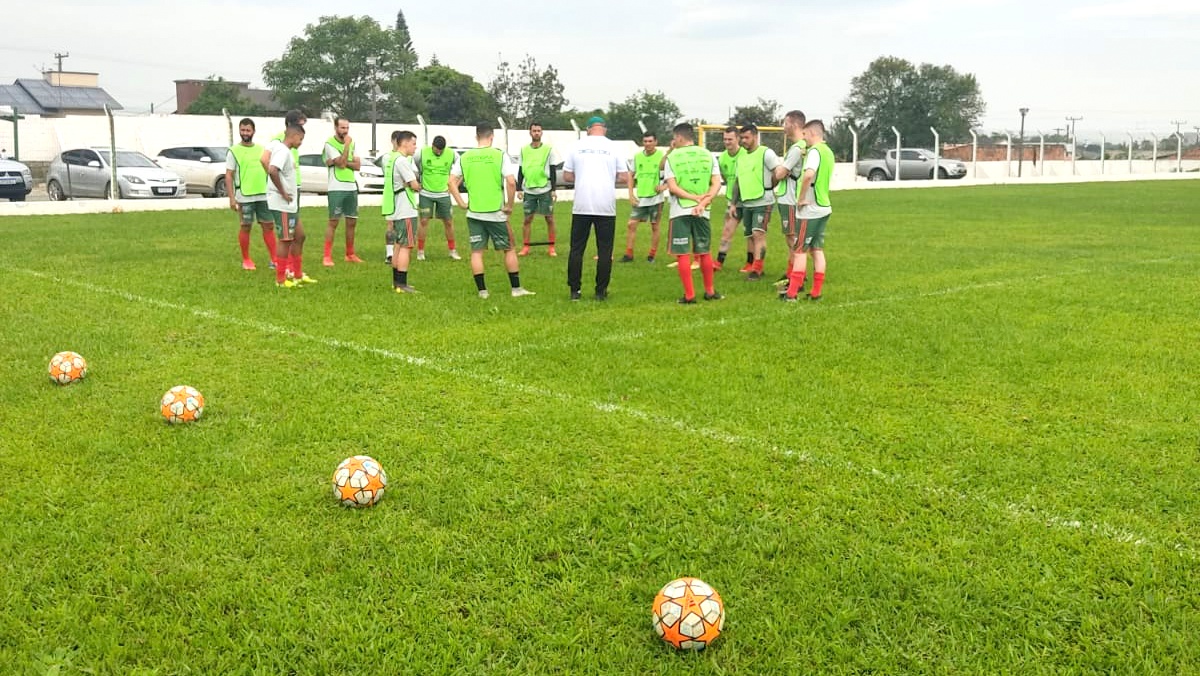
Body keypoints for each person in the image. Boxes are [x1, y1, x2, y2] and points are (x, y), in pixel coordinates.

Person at [448, 123, 535, 299]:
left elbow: (451, 182)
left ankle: (483, 291)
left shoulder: (465, 157)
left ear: (476, 137)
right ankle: (516, 289)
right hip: (496, 212)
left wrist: (461, 202)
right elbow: (511, 182)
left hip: (474, 212)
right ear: (492, 137)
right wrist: (510, 205)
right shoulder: (499, 155)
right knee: (509, 248)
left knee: (477, 252)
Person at [562, 116, 630, 301]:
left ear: (588, 129)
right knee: (605, 250)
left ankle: (575, 290)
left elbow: (567, 176)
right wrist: (608, 177)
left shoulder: (576, 146)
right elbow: (624, 177)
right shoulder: (614, 147)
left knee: (576, 249)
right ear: (604, 129)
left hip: (582, 205)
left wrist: (583, 177)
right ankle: (601, 291)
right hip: (605, 205)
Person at [663, 123, 723, 304]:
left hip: (680, 210)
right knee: (704, 252)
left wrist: (692, 198)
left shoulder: (672, 157)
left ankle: (689, 295)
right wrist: (703, 201)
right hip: (703, 211)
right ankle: (710, 291)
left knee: (682, 254)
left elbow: (672, 187)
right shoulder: (708, 154)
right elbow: (717, 183)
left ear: (679, 138)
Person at [783, 120, 834, 302]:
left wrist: (801, 198)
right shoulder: (828, 151)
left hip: (810, 209)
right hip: (824, 207)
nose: (803, 139)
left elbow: (809, 174)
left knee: (799, 250)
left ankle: (792, 293)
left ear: (812, 133)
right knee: (817, 249)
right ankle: (816, 291)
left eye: (804, 135)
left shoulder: (814, 152)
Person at [265, 125, 314, 288]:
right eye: (300, 139)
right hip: (282, 203)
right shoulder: (282, 151)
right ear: (294, 135)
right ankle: (280, 279)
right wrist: (283, 192)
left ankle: (297, 274)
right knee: (285, 239)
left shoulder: (287, 152)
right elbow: (272, 170)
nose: (301, 143)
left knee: (300, 236)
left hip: (290, 204)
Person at [225, 118, 278, 271]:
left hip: (263, 194)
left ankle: (274, 259)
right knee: (246, 226)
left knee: (268, 226)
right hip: (244, 195)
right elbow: (229, 175)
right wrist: (232, 198)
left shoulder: (262, 149)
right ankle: (246, 259)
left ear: (253, 131)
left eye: (248, 130)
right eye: (242, 130)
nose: (245, 133)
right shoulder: (233, 151)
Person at [732, 123, 783, 280]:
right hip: (746, 202)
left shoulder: (766, 153)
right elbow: (738, 181)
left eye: (746, 137)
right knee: (749, 235)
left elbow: (779, 172)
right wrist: (734, 203)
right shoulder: (741, 157)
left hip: (763, 201)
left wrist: (770, 187)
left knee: (758, 233)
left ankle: (757, 269)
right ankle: (752, 263)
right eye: (742, 138)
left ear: (755, 136)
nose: (744, 141)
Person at [773, 110, 808, 287]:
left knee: (791, 237)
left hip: (790, 198)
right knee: (795, 237)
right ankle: (792, 272)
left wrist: (779, 169)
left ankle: (797, 275)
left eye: (785, 123)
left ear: (793, 124)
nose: (783, 127)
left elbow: (780, 173)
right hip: (798, 196)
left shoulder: (796, 149)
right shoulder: (806, 145)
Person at [383, 131, 421, 294]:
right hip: (406, 208)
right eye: (413, 143)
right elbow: (413, 184)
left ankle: (396, 282)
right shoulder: (403, 161)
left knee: (398, 245)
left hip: (396, 207)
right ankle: (403, 284)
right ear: (404, 143)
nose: (415, 147)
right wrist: (417, 185)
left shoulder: (391, 159)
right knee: (407, 246)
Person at [322, 117, 363, 267]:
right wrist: (345, 149)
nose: (345, 131)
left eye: (347, 128)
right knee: (333, 221)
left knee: (352, 221)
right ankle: (327, 256)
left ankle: (350, 253)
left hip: (351, 186)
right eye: (342, 128)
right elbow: (341, 164)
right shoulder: (330, 144)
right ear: (336, 128)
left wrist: (344, 162)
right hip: (336, 187)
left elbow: (357, 165)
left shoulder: (353, 142)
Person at [413, 135, 462, 261]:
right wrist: (416, 182)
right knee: (424, 221)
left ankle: (452, 250)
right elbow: (412, 167)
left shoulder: (452, 154)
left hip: (443, 194)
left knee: (448, 222)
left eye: (441, 150)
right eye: (437, 150)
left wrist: (454, 186)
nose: (439, 152)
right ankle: (420, 251)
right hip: (426, 194)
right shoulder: (421, 153)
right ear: (432, 146)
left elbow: (462, 169)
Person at [622, 130, 667, 263]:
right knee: (631, 224)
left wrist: (664, 187)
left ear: (656, 142)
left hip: (656, 198)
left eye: (650, 141)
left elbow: (671, 176)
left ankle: (651, 255)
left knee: (655, 226)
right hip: (641, 197)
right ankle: (628, 254)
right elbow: (631, 174)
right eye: (645, 141)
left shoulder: (662, 157)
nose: (647, 144)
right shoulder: (638, 157)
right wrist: (630, 193)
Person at [517, 122, 559, 257]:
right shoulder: (523, 150)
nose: (536, 133)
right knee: (527, 219)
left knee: (549, 218)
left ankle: (551, 247)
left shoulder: (549, 149)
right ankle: (526, 247)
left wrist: (553, 189)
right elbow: (520, 169)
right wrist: (519, 189)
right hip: (529, 190)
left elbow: (553, 170)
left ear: (542, 133)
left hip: (545, 189)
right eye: (534, 130)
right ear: (530, 132)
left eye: (538, 131)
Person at [712, 126, 744, 270]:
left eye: (730, 139)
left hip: (748, 200)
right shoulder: (723, 157)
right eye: (725, 139)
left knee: (751, 234)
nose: (727, 142)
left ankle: (751, 264)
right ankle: (719, 262)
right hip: (732, 201)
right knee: (727, 230)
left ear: (738, 139)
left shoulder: (745, 154)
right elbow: (724, 178)